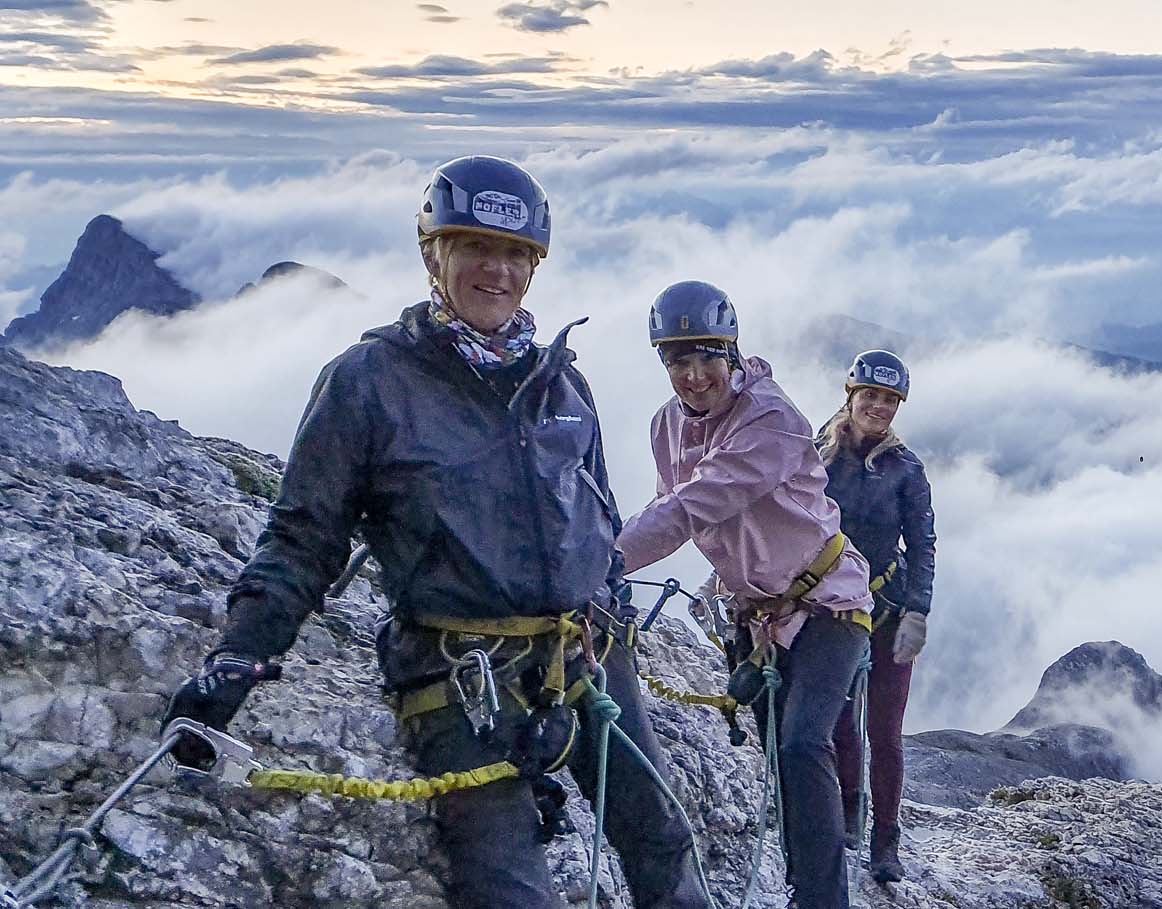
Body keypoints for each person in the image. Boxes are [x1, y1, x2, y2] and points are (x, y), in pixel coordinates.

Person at [160, 155, 704, 909]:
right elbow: (304, 537)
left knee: (664, 843)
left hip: (584, 656)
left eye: (516, 254)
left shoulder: (562, 381)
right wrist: (238, 656)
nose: (497, 270)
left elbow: (598, 513)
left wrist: (606, 597)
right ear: (432, 254)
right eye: (474, 247)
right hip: (460, 677)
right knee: (509, 892)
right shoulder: (369, 383)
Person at [616, 280, 874, 909]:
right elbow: (668, 500)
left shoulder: (773, 421)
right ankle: (802, 882)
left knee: (802, 743)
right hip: (755, 617)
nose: (696, 375)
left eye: (707, 357)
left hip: (829, 604)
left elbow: (696, 504)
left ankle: (822, 900)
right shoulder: (667, 426)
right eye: (679, 361)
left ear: (731, 352)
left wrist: (598, 562)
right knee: (779, 760)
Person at [819, 350, 935, 883]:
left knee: (884, 733)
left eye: (890, 400)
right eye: (871, 395)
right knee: (841, 723)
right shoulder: (818, 456)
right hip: (833, 609)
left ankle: (884, 839)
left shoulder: (906, 468)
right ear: (851, 395)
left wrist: (918, 610)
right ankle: (846, 815)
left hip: (887, 610)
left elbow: (923, 542)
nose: (880, 407)